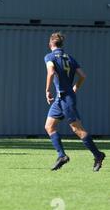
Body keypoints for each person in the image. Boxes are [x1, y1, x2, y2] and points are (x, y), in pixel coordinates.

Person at [44, 32, 106, 171]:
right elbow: (83, 75)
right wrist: (75, 87)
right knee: (49, 126)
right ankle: (61, 156)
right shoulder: (70, 58)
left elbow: (51, 72)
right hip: (63, 98)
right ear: (61, 44)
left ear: (50, 44)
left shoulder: (50, 57)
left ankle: (98, 155)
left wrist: (47, 90)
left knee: (77, 129)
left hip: (65, 98)